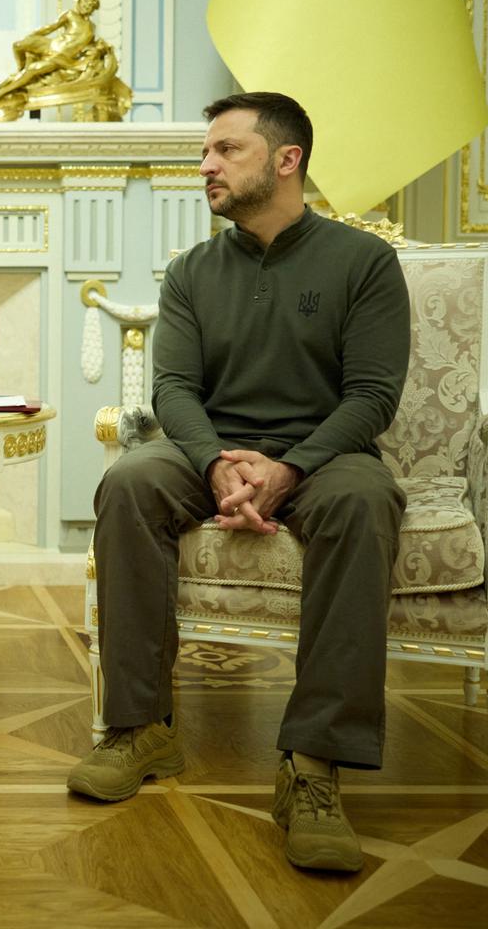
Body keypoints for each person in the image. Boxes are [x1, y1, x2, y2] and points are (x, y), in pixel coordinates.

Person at [66, 92, 410, 873]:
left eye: (226, 150)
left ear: (287, 160)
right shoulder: (192, 270)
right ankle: (140, 728)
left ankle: (312, 766)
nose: (206, 166)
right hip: (210, 449)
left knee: (366, 500)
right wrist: (217, 463)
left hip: (325, 456)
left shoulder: (363, 263)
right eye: (205, 152)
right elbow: (174, 388)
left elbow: (372, 396)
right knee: (129, 482)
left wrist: (291, 468)